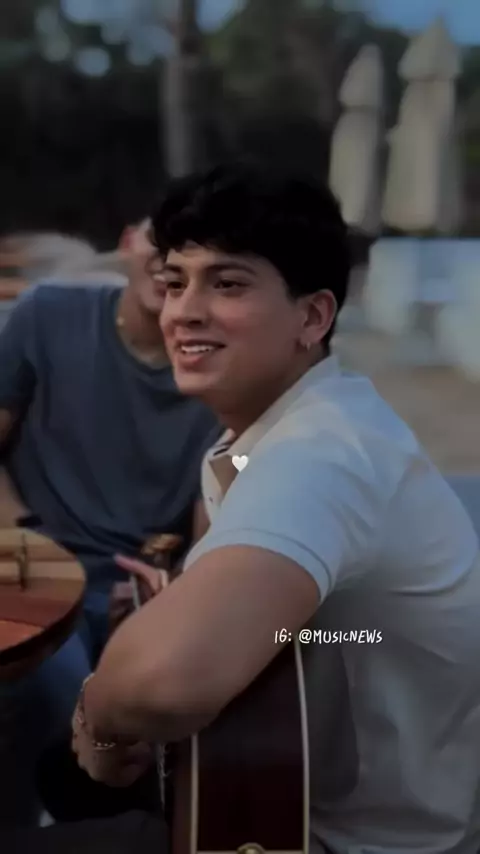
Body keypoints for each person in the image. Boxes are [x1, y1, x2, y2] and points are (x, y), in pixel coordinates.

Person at [5, 162, 480, 853]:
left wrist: (98, 719)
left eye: (227, 284)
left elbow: (163, 683)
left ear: (313, 316)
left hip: (330, 836)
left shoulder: (319, 457)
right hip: (283, 786)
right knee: (63, 778)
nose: (183, 312)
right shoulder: (269, 435)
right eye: (175, 282)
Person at [0, 215, 220, 826]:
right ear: (126, 243)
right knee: (54, 689)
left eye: (195, 252)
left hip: (142, 586)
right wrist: (26, 535)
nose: (169, 260)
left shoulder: (221, 371)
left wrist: (170, 588)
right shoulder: (48, 314)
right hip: (35, 569)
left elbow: (217, 518)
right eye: (160, 238)